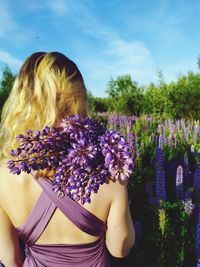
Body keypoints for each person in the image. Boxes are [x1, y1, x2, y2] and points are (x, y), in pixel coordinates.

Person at [0, 52, 135, 267]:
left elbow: (10, 260)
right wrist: (122, 183)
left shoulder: (3, 176)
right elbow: (120, 248)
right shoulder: (105, 170)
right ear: (79, 98)